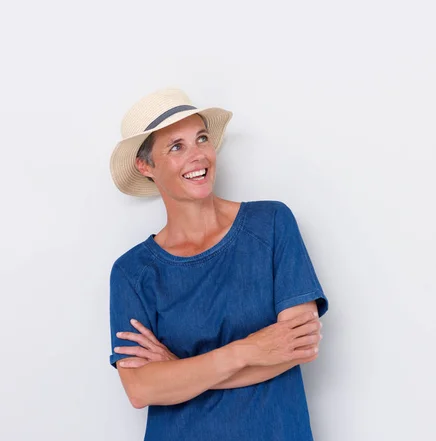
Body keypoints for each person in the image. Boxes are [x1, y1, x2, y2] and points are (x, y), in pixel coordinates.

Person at [108, 88, 329, 441]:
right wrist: (250, 350)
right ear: (145, 165)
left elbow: (297, 345)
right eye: (176, 147)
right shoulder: (132, 272)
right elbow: (140, 390)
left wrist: (179, 373)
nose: (197, 156)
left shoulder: (271, 224)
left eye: (201, 139)